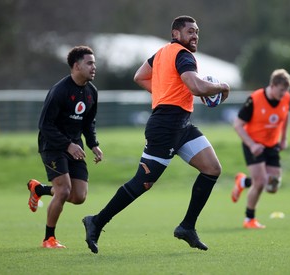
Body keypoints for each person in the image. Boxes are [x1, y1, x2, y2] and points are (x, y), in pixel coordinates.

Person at [82, 15, 230, 254]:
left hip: (182, 124)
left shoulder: (161, 53)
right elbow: (196, 87)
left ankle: (187, 227)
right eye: (190, 31)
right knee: (143, 182)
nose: (195, 36)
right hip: (165, 127)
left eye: (197, 32)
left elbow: (139, 76)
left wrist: (166, 91)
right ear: (176, 34)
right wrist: (222, 87)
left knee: (212, 168)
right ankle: (96, 221)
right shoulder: (183, 55)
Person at [27, 45, 103, 248]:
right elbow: (45, 125)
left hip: (74, 145)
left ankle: (39, 189)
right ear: (76, 66)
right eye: (89, 63)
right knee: (63, 190)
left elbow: (88, 123)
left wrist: (93, 144)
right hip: (52, 145)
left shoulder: (91, 92)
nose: (94, 67)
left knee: (78, 196)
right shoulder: (60, 91)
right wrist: (67, 145)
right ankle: (48, 239)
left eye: (94, 63)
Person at [231, 69, 290, 229]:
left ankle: (242, 182)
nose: (283, 94)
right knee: (259, 183)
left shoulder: (286, 98)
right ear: (272, 85)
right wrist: (252, 145)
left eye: (286, 90)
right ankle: (249, 219)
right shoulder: (254, 100)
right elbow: (237, 125)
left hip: (272, 145)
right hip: (253, 144)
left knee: (272, 186)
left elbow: (286, 115)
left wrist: (284, 138)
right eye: (281, 90)